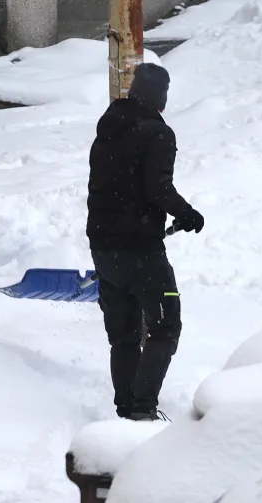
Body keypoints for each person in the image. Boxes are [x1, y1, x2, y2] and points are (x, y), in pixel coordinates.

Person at [86, 62, 205, 421]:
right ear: (160, 97)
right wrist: (186, 213)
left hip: (104, 247)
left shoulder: (108, 129)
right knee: (166, 325)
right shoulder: (156, 133)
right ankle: (141, 409)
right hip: (140, 250)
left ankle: (126, 408)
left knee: (122, 334)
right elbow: (157, 189)